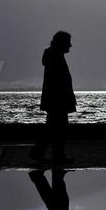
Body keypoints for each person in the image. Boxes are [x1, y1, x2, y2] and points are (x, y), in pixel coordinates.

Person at [33, 30, 76, 163]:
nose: (70, 46)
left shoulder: (53, 55)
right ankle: (55, 154)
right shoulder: (56, 56)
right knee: (59, 128)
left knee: (52, 127)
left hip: (53, 98)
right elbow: (59, 81)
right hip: (58, 99)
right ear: (62, 43)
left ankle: (41, 152)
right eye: (68, 43)